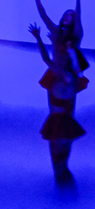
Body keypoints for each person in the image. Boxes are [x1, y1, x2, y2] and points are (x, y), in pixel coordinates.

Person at [29, 21, 86, 188]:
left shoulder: (66, 79)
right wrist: (40, 39)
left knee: (58, 163)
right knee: (60, 163)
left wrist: (40, 39)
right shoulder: (70, 79)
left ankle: (64, 191)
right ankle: (66, 191)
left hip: (58, 124)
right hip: (64, 124)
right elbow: (48, 59)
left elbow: (49, 60)